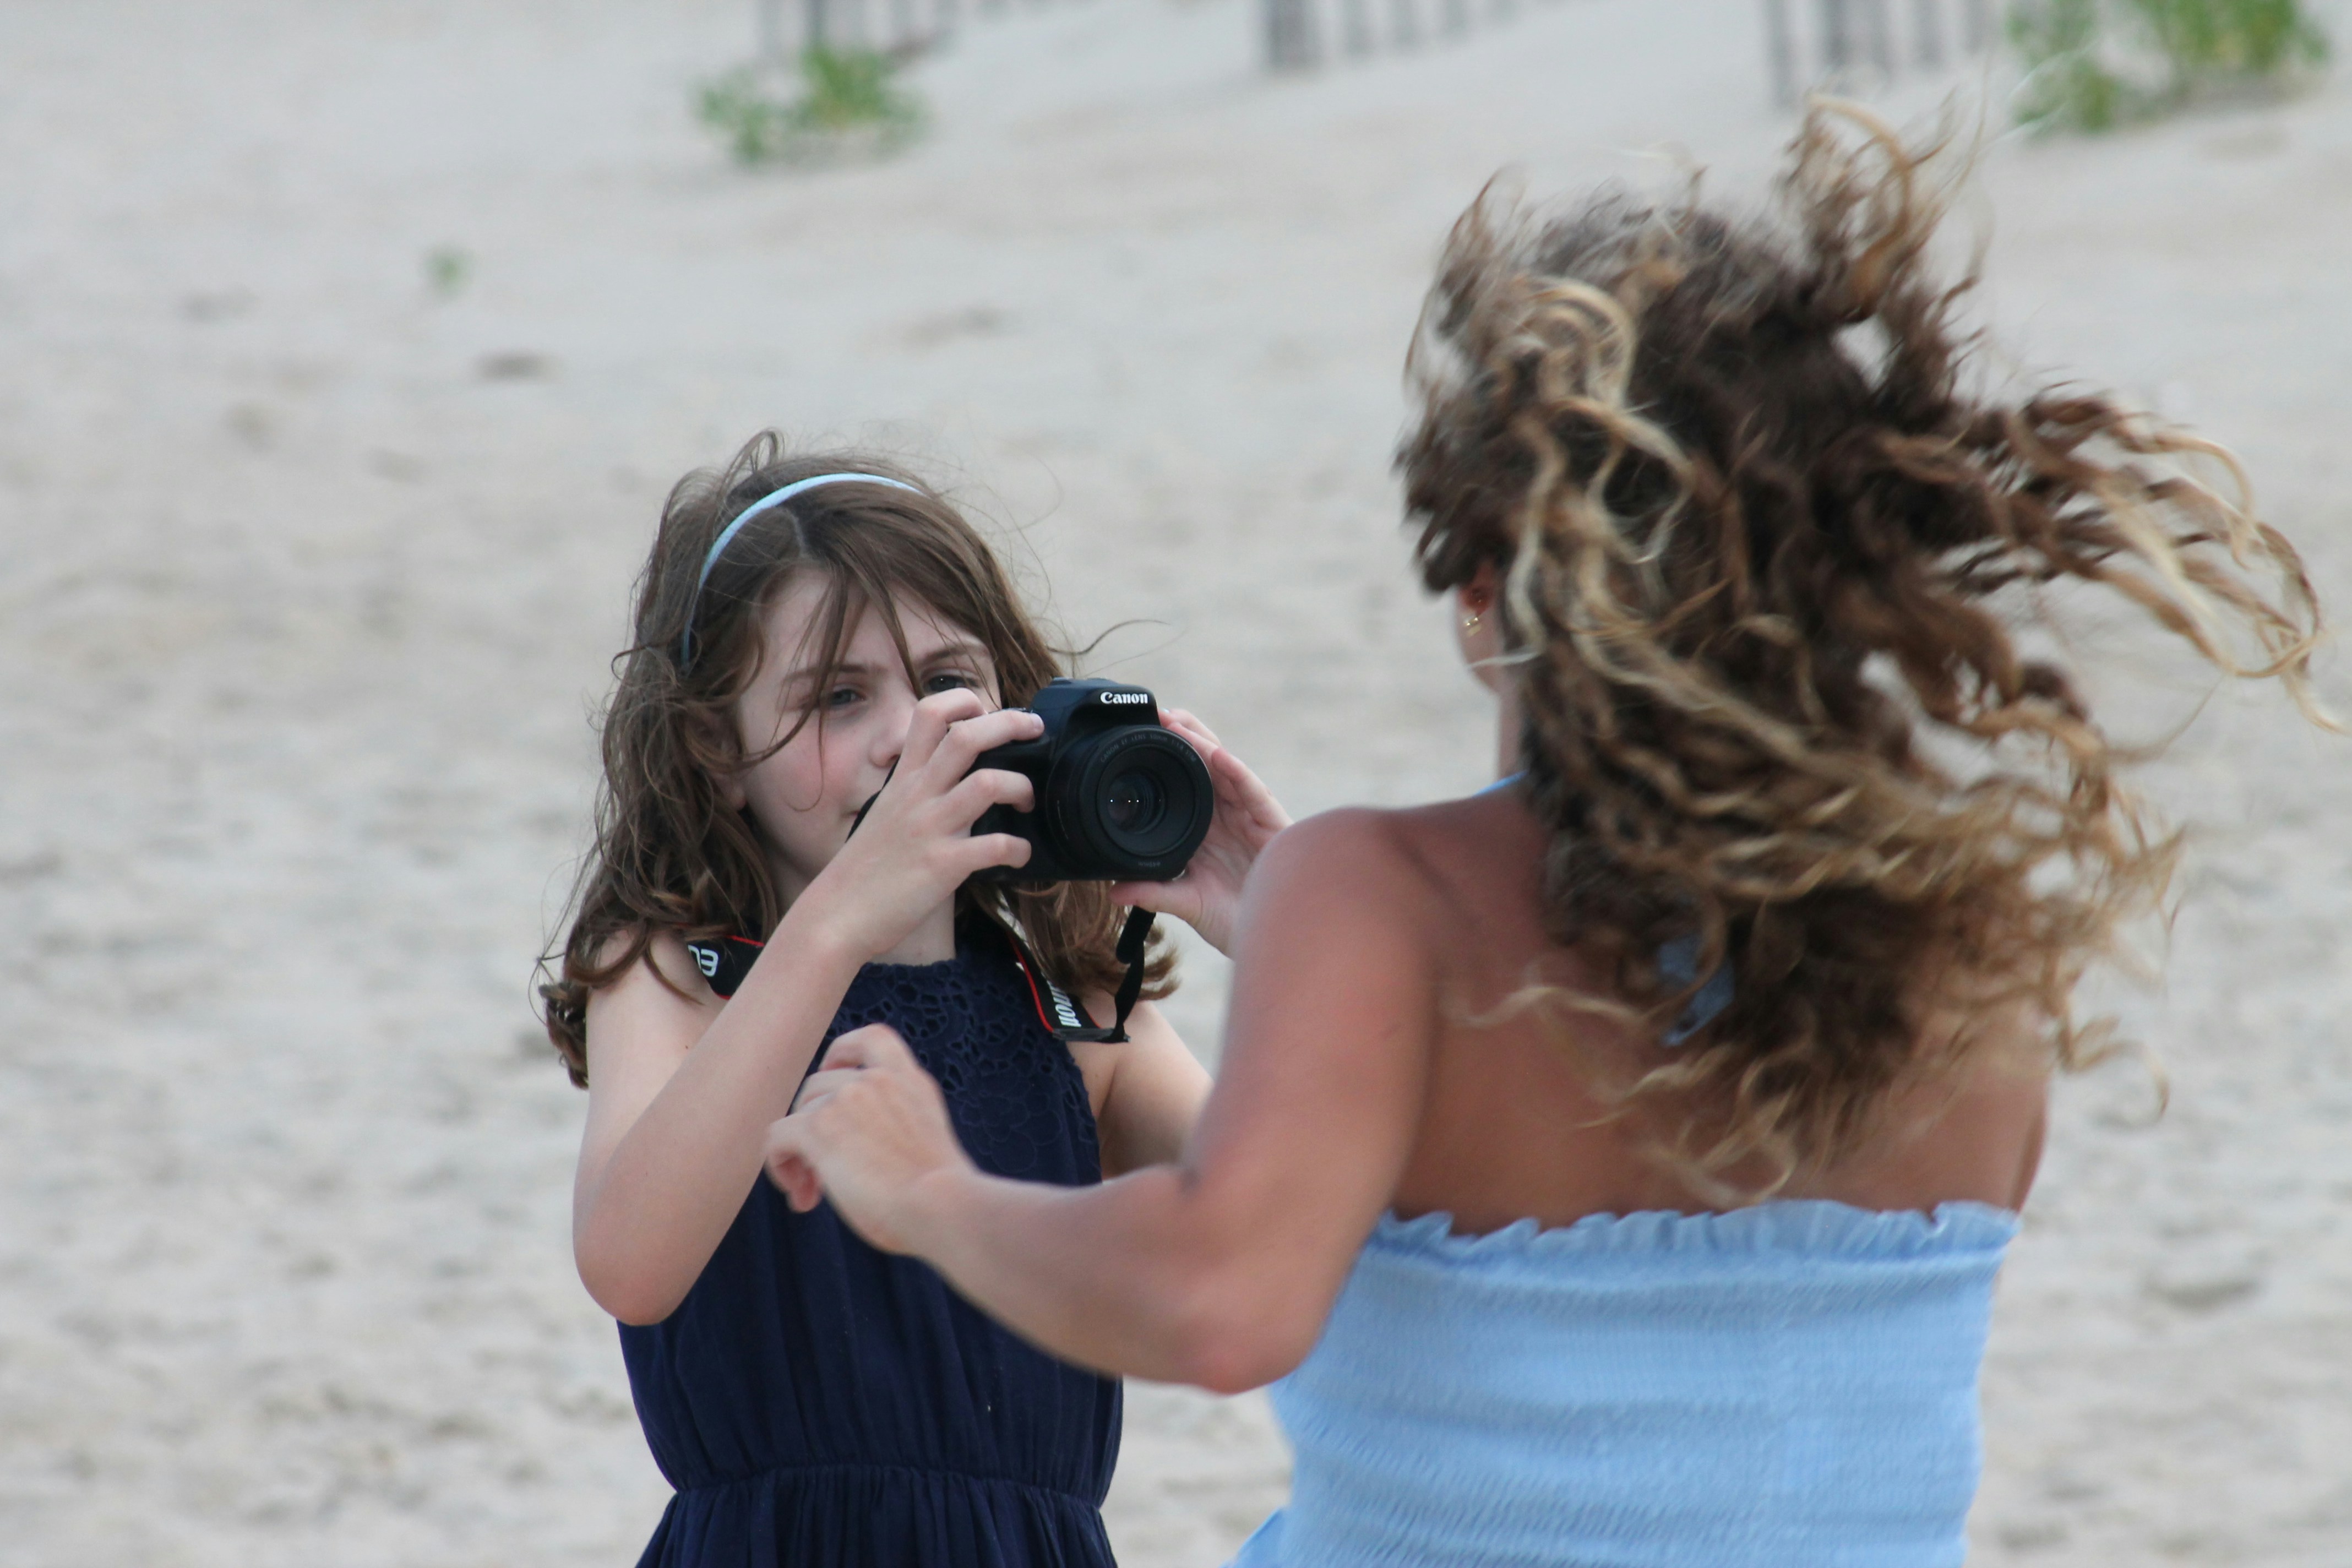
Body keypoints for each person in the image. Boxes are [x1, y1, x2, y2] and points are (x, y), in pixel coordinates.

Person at [760, 106, 2332, 1566]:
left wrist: (928, 1191)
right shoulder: (1968, 964)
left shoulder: (1384, 899)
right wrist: (1303, 934)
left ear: (1484, 588)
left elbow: (1223, 1304)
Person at [538, 434, 1288, 1568]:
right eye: (840, 696)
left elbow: (1297, 1237)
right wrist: (836, 923)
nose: (910, 735)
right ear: (712, 748)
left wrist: (1285, 929)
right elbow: (632, 1265)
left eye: (947, 681)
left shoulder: (1070, 1007)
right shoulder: (679, 970)